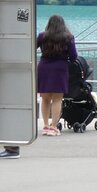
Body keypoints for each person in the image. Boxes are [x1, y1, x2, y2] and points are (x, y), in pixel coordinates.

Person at [33, 14, 78, 151]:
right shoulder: (68, 37)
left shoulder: (42, 36)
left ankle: (45, 125)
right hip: (60, 68)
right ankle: (54, 127)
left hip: (44, 67)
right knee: (57, 99)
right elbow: (74, 56)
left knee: (45, 98)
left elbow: (31, 48)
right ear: (63, 24)